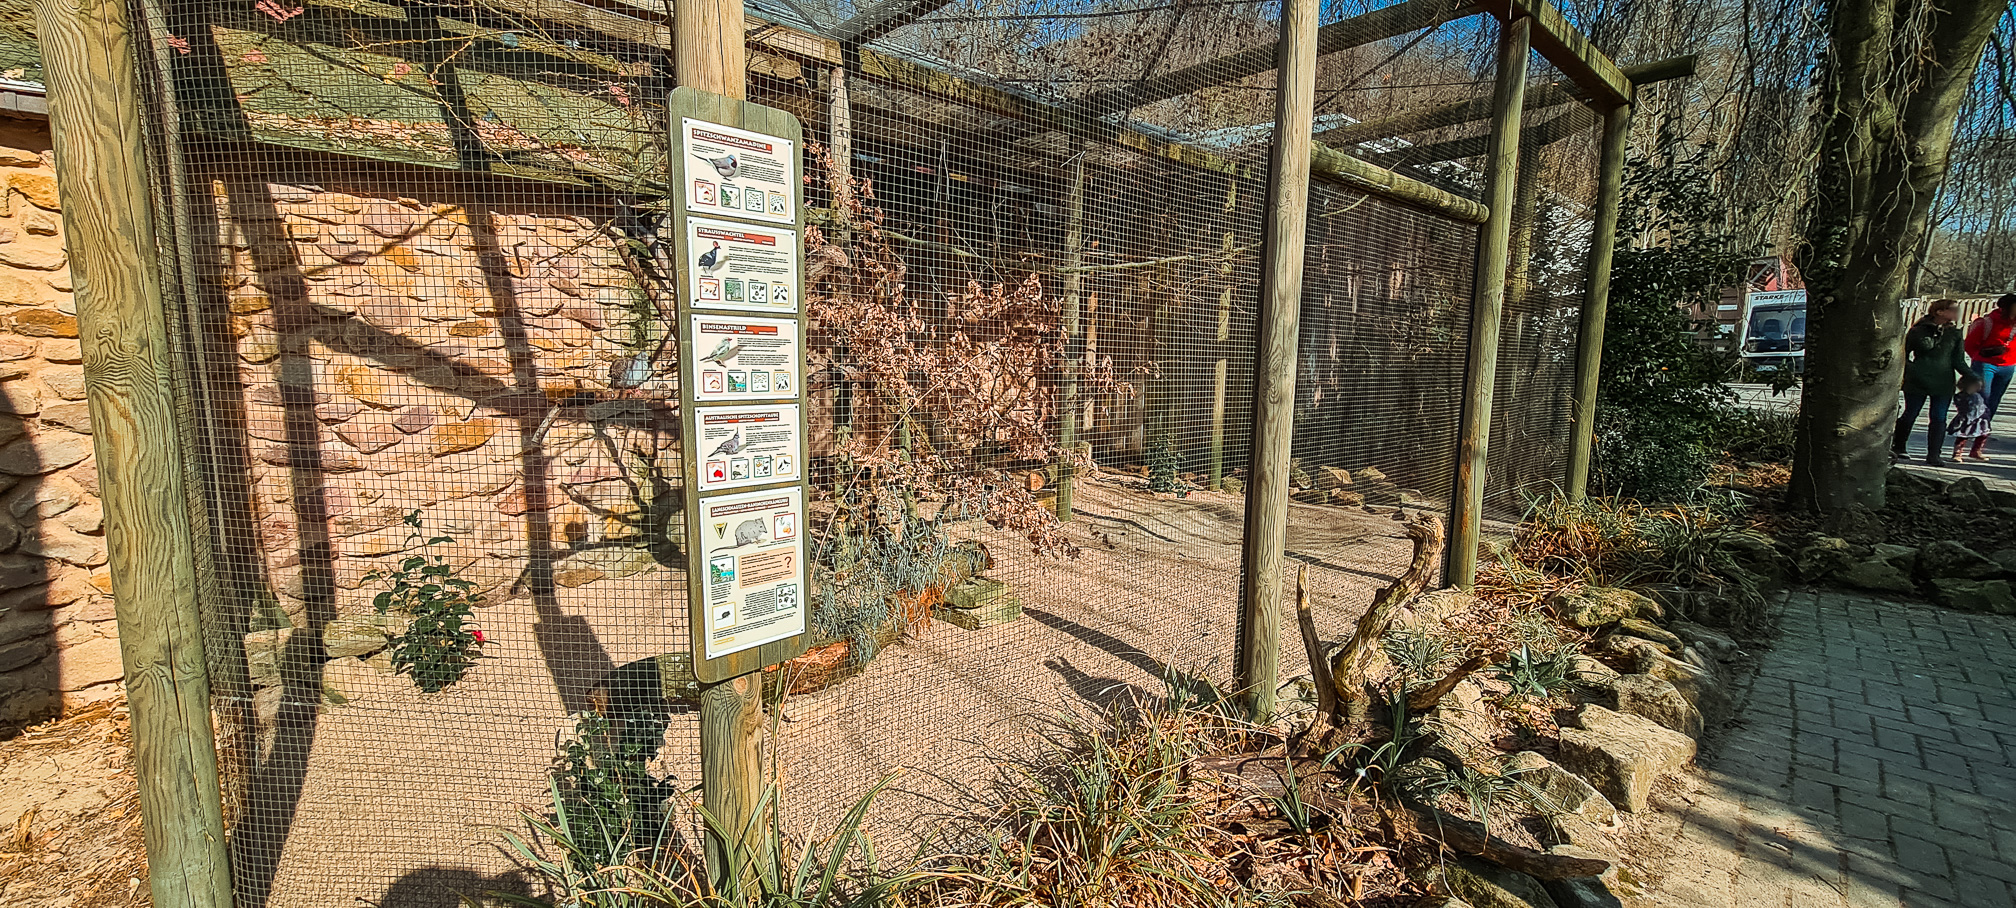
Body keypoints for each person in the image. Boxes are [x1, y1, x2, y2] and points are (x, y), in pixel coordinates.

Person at [1894, 298, 1974, 465]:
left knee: (1939, 417)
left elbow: (1958, 360)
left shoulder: (1955, 333)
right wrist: (1911, 370)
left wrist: (1972, 376)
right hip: (1917, 380)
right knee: (1911, 413)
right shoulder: (1918, 330)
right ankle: (1899, 447)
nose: (1956, 313)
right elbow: (1903, 353)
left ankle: (1933, 455)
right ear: (1939, 311)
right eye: (1952, 309)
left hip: (1943, 382)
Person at [1963, 292, 2016, 454]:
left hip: (2008, 366)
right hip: (1986, 364)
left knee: (1992, 405)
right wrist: (1978, 359)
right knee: (1979, 403)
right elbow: (1970, 344)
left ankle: (1978, 447)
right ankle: (1960, 445)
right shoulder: (1987, 322)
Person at [1949, 374, 1993, 462]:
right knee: (1962, 436)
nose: (1979, 388)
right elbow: (1962, 408)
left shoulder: (1979, 396)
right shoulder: (1960, 396)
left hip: (1980, 420)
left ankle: (1976, 451)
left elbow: (1983, 406)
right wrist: (1966, 417)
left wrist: (1986, 415)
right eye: (1976, 386)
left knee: (1983, 435)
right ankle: (1957, 454)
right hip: (1966, 419)